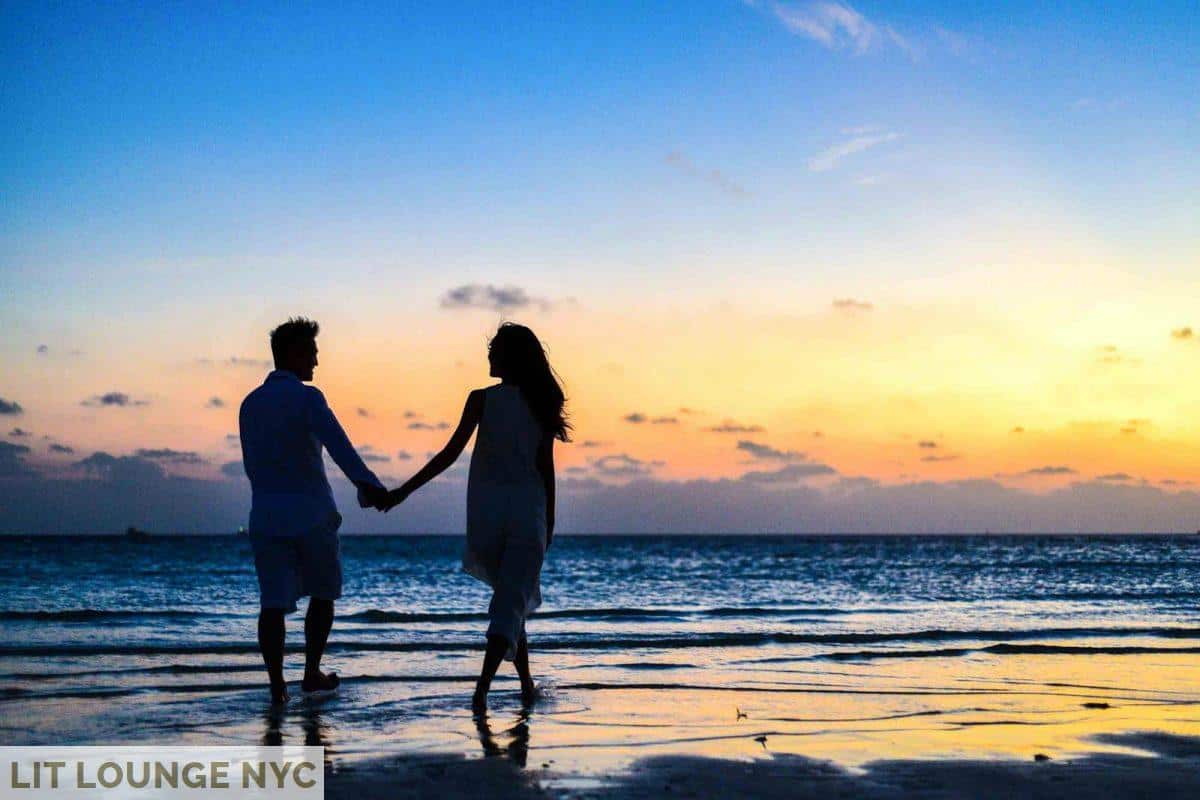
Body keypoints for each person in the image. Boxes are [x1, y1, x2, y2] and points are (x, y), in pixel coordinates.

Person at [386, 322, 569, 710]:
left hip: (488, 518)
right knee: (509, 603)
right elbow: (545, 468)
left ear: (509, 356)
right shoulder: (539, 401)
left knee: (511, 601)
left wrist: (403, 492)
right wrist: (549, 522)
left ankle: (525, 686)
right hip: (527, 516)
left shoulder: (482, 399)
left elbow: (448, 455)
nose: (488, 355)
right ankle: (482, 692)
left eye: (494, 350)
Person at [239, 317, 390, 704]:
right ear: (293, 353)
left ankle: (277, 686)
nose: (316, 363)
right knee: (323, 594)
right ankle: (310, 672)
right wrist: (369, 487)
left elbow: (252, 464)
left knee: (272, 604)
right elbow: (340, 447)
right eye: (312, 353)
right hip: (311, 514)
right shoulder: (309, 398)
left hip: (266, 516)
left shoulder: (249, 404)